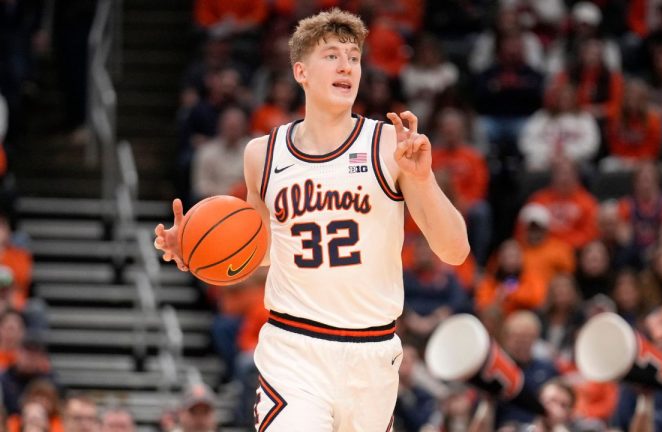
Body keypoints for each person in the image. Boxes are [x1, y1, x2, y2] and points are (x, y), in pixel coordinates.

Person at [154, 9, 469, 431]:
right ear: (300, 71)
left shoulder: (389, 144)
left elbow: (455, 250)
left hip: (371, 353)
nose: (346, 66)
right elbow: (260, 251)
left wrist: (424, 178)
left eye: (354, 57)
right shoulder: (263, 155)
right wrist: (194, 249)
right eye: (332, 55)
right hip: (293, 347)